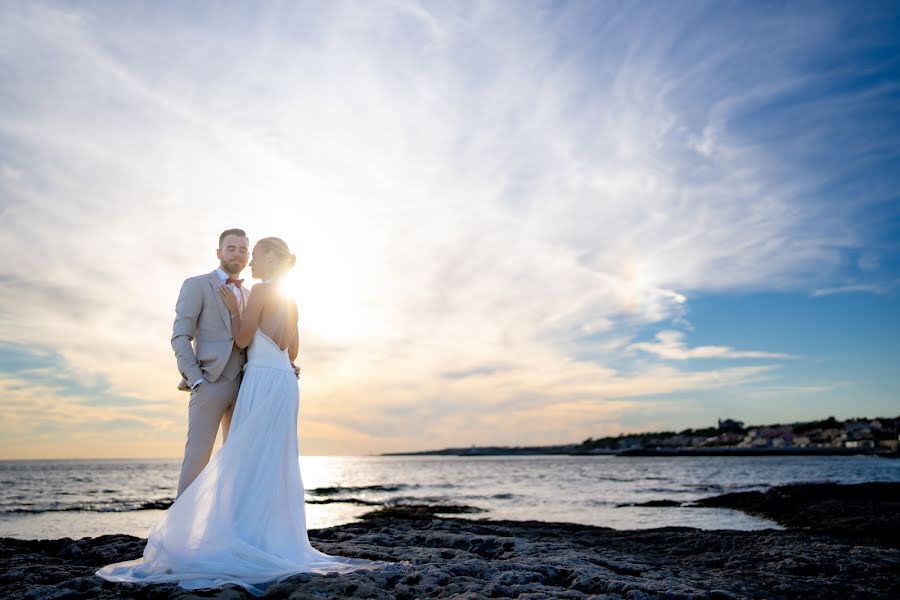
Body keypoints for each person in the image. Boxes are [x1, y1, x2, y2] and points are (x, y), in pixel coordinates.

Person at [96, 236, 397, 595]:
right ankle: (259, 536)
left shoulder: (257, 291)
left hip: (257, 380)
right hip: (282, 382)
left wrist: (237, 312)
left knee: (244, 459)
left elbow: (241, 340)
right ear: (220, 252)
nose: (249, 260)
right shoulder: (289, 296)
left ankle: (216, 539)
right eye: (239, 251)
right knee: (268, 460)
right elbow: (293, 349)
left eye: (253, 254)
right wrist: (197, 377)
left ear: (269, 259)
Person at [171, 228, 251, 498]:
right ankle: (179, 535)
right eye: (231, 248)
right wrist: (196, 380)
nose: (237, 254)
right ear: (219, 253)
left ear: (248, 255)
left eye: (242, 249)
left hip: (245, 386)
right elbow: (180, 336)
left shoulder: (250, 295)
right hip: (209, 383)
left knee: (235, 463)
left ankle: (223, 528)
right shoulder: (196, 285)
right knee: (196, 462)